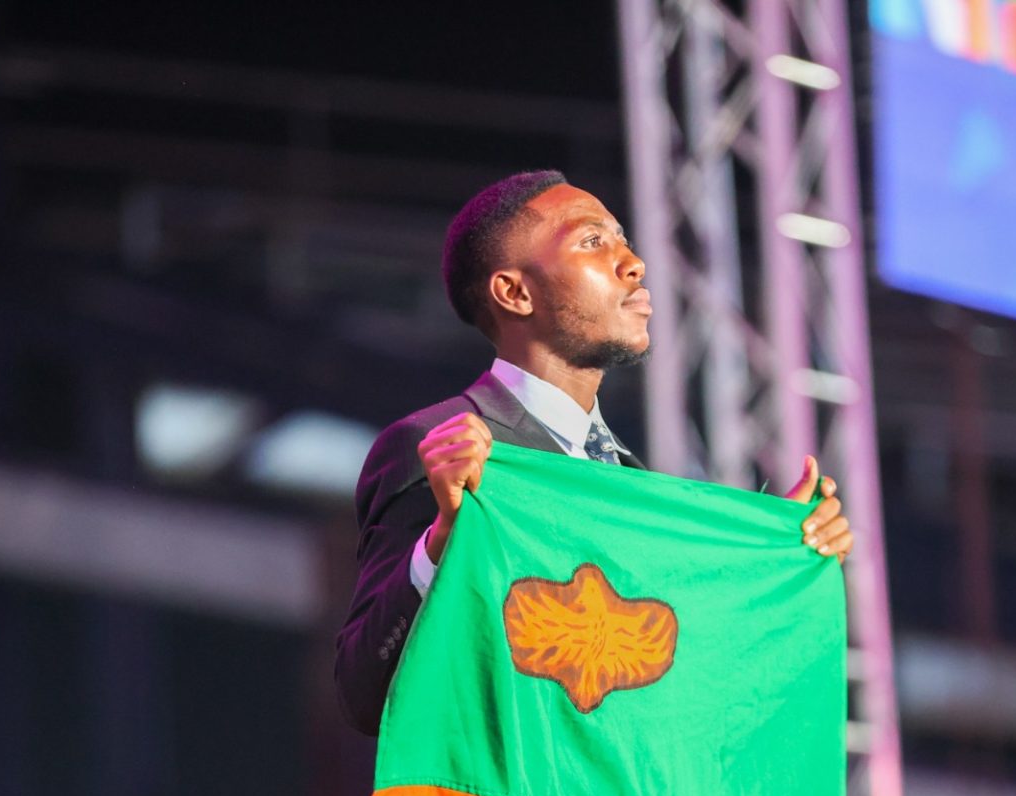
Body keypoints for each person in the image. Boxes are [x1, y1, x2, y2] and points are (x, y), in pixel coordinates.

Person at [334, 169, 854, 735]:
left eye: (622, 239)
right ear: (515, 293)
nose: (634, 264)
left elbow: (677, 687)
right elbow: (364, 693)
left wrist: (777, 557)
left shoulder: (630, 483)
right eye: (592, 241)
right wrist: (442, 541)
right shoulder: (439, 447)